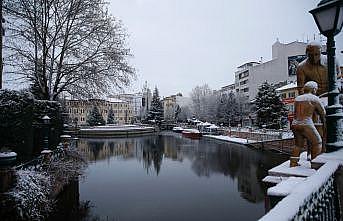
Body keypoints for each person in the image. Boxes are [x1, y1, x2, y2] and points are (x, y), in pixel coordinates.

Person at [290, 81, 326, 167]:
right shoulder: (314, 98)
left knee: (298, 145)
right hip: (306, 124)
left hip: (295, 124)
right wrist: (324, 125)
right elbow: (323, 113)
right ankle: (315, 163)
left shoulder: (297, 99)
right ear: (313, 89)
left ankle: (293, 163)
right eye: (316, 89)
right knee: (317, 143)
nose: (316, 91)